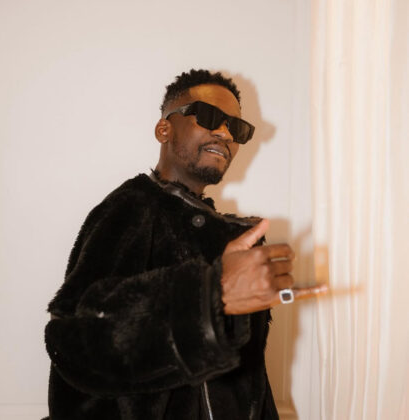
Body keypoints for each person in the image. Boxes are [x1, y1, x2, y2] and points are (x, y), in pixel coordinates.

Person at [44, 69, 327, 419]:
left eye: (236, 128)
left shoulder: (234, 240)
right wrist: (210, 296)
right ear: (164, 129)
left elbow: (251, 384)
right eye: (208, 116)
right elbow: (75, 337)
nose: (225, 133)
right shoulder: (131, 208)